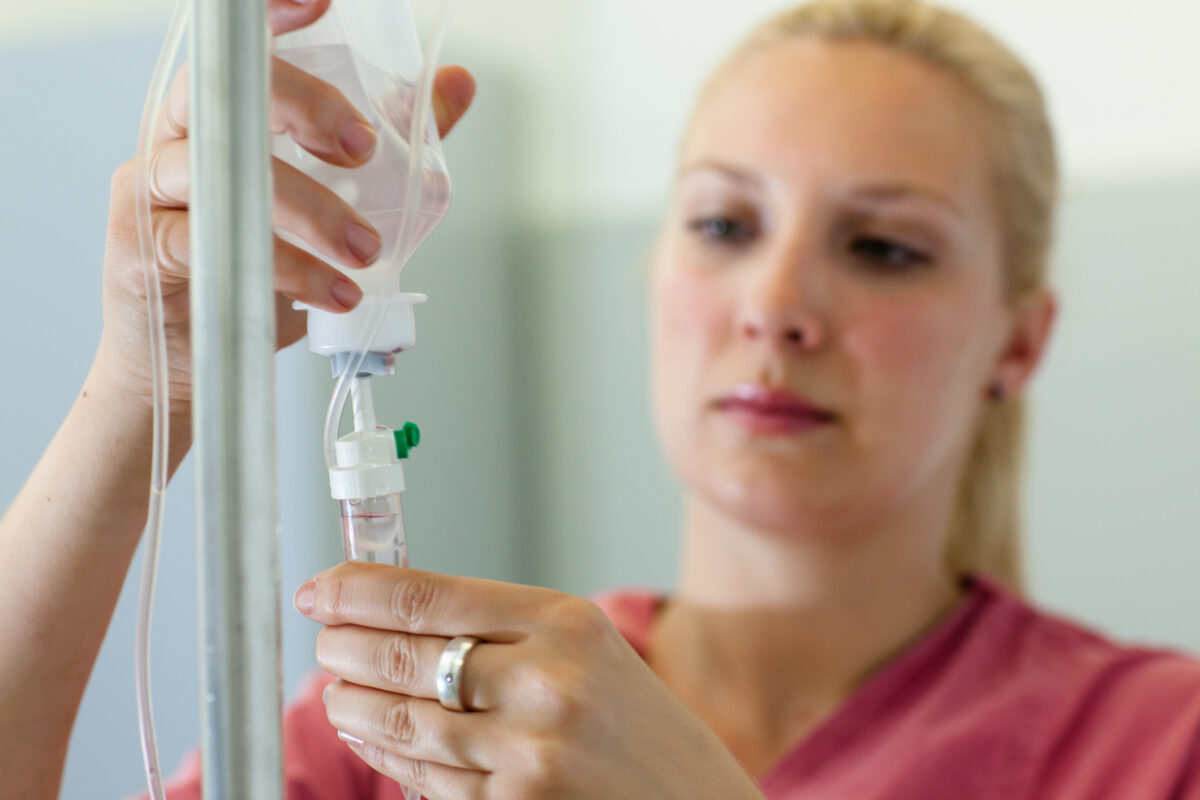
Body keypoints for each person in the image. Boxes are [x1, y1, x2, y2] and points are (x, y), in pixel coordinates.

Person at [4, 0, 1200, 798]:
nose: (775, 304)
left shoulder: (1154, 748)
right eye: (724, 225)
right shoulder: (413, 721)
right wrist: (141, 385)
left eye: (884, 247)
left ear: (1019, 341)